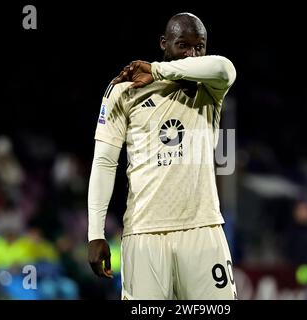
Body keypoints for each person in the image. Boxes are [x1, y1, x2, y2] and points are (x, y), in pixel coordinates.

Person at [87, 12, 237, 300]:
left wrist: (157, 70)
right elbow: (105, 162)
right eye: (183, 45)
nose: (192, 55)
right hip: (144, 233)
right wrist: (95, 233)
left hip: (202, 227)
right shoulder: (124, 90)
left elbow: (226, 68)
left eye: (199, 47)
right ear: (164, 43)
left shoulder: (209, 88)